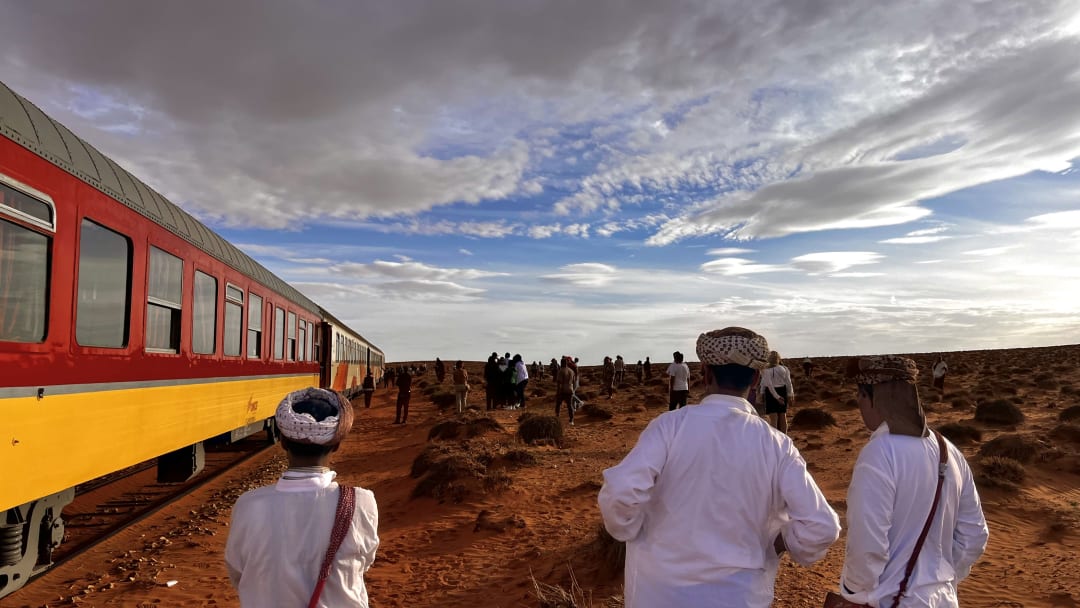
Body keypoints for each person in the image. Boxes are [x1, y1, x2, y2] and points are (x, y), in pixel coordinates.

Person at [598, 327, 840, 607]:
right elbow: (821, 528)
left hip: (660, 593)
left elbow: (620, 493)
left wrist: (632, 529)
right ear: (756, 379)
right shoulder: (777, 445)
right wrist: (779, 542)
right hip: (740, 597)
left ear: (706, 374)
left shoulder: (669, 426)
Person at [836, 356, 988, 607]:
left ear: (873, 397)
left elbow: (867, 543)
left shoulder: (879, 453)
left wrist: (854, 592)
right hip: (944, 599)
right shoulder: (948, 450)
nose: (860, 406)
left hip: (890, 600)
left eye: (860, 397)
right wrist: (939, 575)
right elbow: (975, 534)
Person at [226, 388, 379, 608]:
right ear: (336, 445)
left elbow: (238, 571)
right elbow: (364, 563)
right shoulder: (361, 502)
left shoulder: (248, 505)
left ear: (283, 442)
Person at [759, 351, 795, 434]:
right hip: (782, 391)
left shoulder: (765, 370)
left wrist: (762, 393)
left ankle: (775, 438)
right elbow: (789, 383)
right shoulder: (785, 368)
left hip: (771, 393)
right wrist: (790, 394)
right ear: (778, 359)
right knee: (783, 415)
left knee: (773, 418)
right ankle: (784, 437)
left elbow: (767, 384)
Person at [554, 357, 577, 426]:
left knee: (558, 404)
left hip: (563, 390)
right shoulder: (571, 371)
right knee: (570, 405)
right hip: (570, 390)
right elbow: (574, 382)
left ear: (561, 363)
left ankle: (557, 418)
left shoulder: (561, 371)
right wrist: (573, 390)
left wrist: (558, 392)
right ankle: (571, 420)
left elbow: (559, 383)